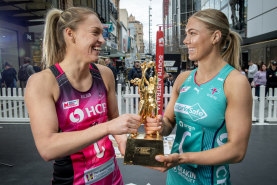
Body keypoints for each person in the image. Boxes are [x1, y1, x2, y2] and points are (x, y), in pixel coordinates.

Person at [24, 7, 141, 185]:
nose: (102, 40)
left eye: (102, 33)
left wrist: (127, 144)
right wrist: (108, 128)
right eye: (95, 33)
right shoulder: (42, 82)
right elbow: (47, 148)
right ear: (70, 34)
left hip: (112, 177)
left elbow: (113, 119)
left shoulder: (105, 74)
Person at [145, 9, 252, 185]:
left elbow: (237, 151)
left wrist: (182, 158)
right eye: (186, 34)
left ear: (215, 37)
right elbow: (169, 123)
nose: (185, 40)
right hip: (175, 178)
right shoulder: (183, 79)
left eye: (192, 33)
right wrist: (157, 125)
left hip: (208, 180)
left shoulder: (234, 82)